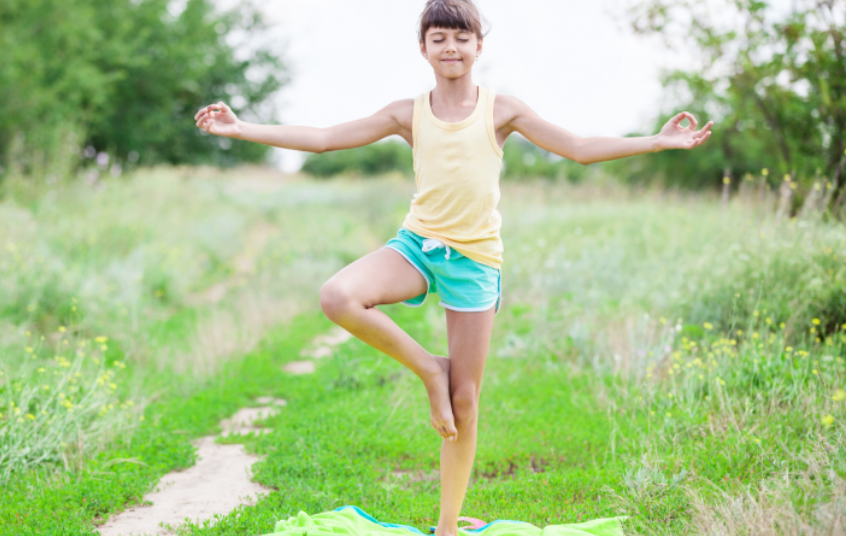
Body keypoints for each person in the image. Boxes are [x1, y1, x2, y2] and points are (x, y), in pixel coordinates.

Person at [194, 0, 712, 533]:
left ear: (479, 46)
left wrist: (658, 141)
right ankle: (429, 368)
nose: (451, 48)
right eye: (439, 38)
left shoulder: (502, 109)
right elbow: (325, 139)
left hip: (475, 261)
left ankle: (446, 526)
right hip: (417, 246)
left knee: (465, 401)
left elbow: (577, 148)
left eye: (462, 38)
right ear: (423, 48)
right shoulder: (407, 112)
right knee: (338, 296)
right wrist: (243, 129)